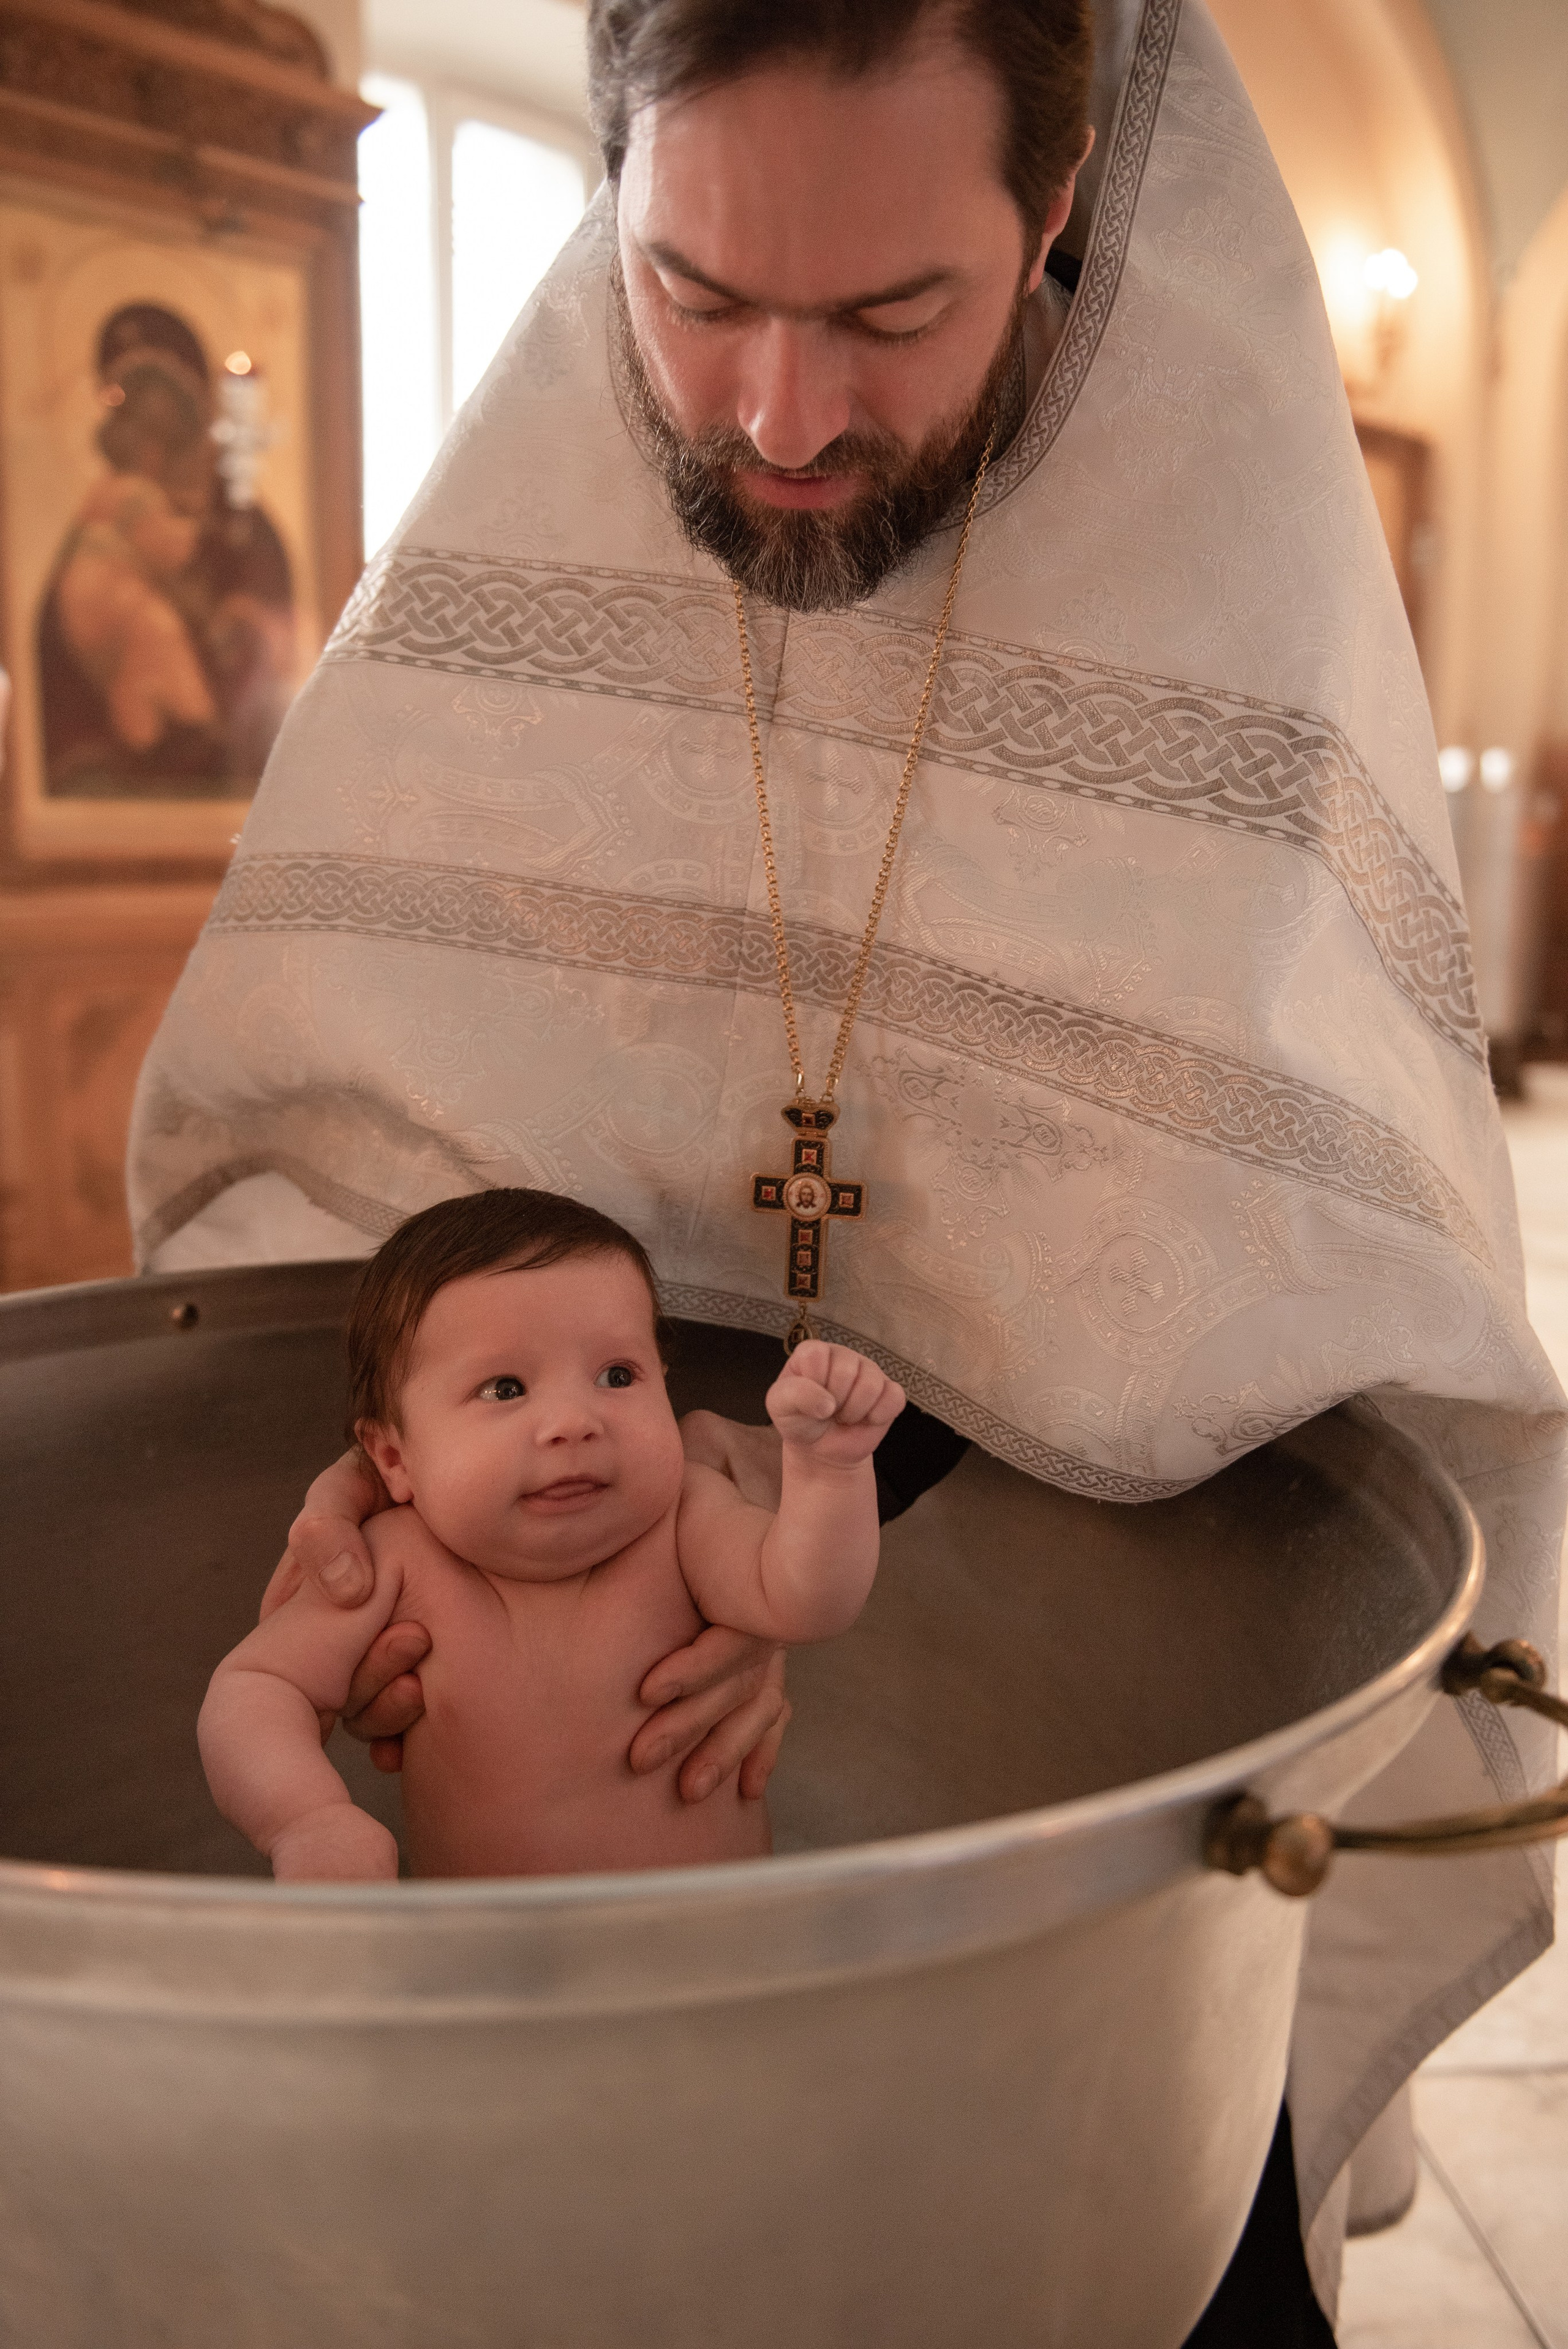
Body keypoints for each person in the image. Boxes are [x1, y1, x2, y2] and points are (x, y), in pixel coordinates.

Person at [130, 0, 1565, 2339]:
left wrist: (838, 1544)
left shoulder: (1229, 597)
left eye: (892, 313)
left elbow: (1320, 1321)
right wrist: (365, 1455)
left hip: (1069, 1765)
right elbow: (320, 1109)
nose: (777, 420)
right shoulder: (530, 545)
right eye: (690, 294)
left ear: (1063, 202)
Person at [200, 1188, 900, 1880]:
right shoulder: (400, 1563)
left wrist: (830, 1470)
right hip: (491, 1972)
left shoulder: (685, 1520)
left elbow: (810, 1601)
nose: (574, 1420)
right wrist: (308, 1818)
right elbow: (256, 1689)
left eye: (616, 1375)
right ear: (393, 1458)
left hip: (716, 1955)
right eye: (505, 1388)